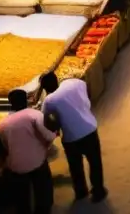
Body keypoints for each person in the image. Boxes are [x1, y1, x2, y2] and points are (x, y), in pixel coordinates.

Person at [40, 72, 106, 202]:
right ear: (57, 79)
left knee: (75, 166)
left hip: (71, 137)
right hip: (89, 129)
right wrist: (85, 107)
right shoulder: (73, 82)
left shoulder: (49, 100)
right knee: (95, 162)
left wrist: (56, 128)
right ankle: (98, 190)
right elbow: (87, 89)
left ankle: (81, 192)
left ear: (45, 89)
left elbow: (47, 121)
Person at [0, 88, 56, 214]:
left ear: (10, 103)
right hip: (37, 161)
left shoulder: (2, 124)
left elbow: (6, 146)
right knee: (43, 192)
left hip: (16, 166)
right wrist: (46, 146)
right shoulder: (33, 114)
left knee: (22, 199)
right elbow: (50, 135)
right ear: (26, 100)